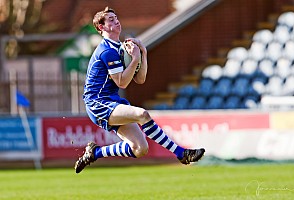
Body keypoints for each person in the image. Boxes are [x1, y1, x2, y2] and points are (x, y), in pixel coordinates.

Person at [74, 7, 205, 173]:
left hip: (111, 101)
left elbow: (140, 79)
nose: (116, 21)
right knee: (143, 115)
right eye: (111, 20)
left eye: (116, 17)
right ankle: (181, 153)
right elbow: (122, 82)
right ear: (102, 27)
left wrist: (143, 53)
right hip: (98, 103)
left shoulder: (120, 48)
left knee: (140, 148)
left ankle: (95, 152)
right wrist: (135, 58)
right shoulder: (107, 51)